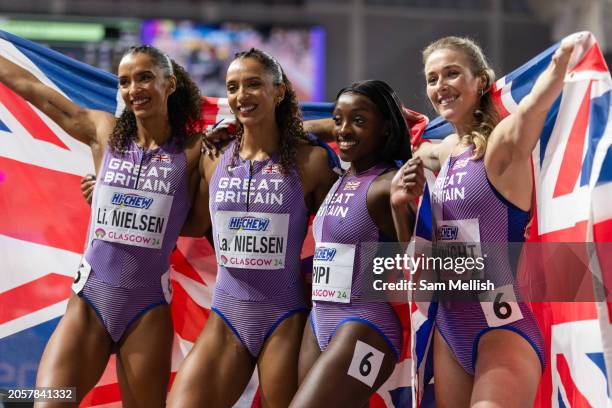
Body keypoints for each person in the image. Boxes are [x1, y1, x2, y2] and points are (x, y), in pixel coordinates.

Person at [0, 45, 203, 406]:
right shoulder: (104, 132)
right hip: (89, 303)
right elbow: (32, 89)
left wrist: (120, 199)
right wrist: (112, 197)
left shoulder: (194, 151)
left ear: (169, 84)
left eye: (144, 78)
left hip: (147, 312)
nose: (133, 89)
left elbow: (196, 225)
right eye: (124, 81)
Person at [391, 36, 577, 407]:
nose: (440, 85)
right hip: (450, 329)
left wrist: (560, 63)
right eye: (432, 78)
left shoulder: (501, 146)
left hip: (502, 329)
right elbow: (419, 146)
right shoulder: (444, 153)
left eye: (452, 73)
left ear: (480, 82)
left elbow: (530, 113)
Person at [167, 48, 337, 407]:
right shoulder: (212, 156)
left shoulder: (312, 160)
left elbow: (342, 232)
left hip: (285, 317)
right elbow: (195, 224)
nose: (241, 95)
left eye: (253, 84)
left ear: (279, 92)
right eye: (233, 87)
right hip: (226, 315)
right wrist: (110, 199)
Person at [289, 80, 420, 407]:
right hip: (320, 321)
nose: (344, 131)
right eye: (338, 120)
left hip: (367, 328)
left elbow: (420, 262)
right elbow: (292, 134)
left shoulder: (388, 185)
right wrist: (341, 123)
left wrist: (401, 208)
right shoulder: (341, 178)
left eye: (359, 121)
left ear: (387, 129)